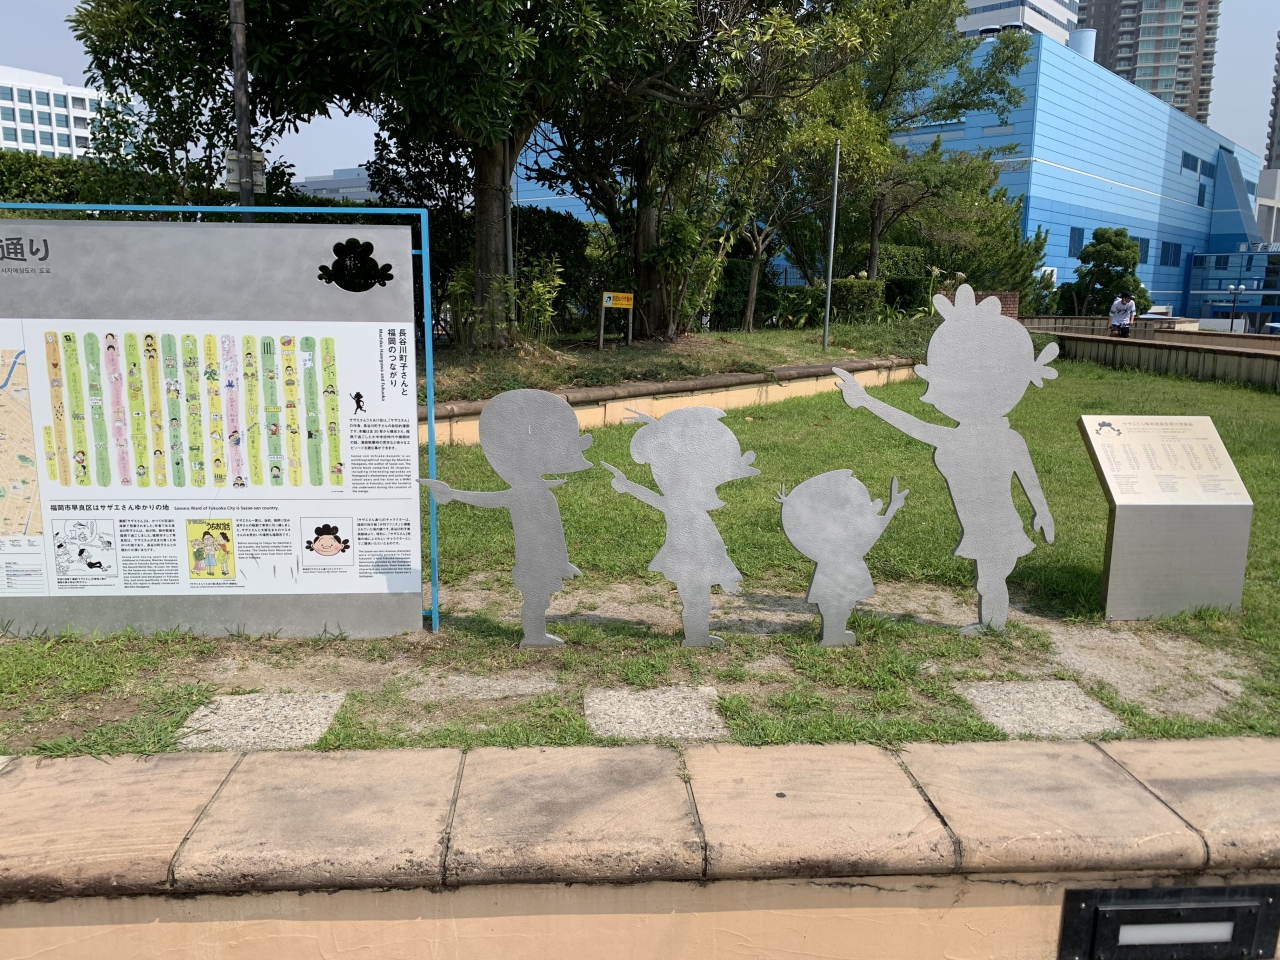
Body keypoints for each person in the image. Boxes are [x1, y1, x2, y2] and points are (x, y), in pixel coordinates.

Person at [834, 285, 1057, 634]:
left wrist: (1042, 511)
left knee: (991, 579)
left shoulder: (1006, 440)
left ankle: (992, 627)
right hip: (982, 524)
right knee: (990, 578)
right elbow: (912, 425)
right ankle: (993, 624)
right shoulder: (959, 437)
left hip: (997, 525)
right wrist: (866, 400)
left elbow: (1028, 477)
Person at [602, 406, 758, 648]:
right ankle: (696, 638)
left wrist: (629, 485)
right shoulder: (688, 509)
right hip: (686, 557)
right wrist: (726, 576)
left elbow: (661, 500)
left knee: (696, 600)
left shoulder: (682, 504)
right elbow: (713, 546)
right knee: (696, 600)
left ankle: (697, 636)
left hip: (684, 556)